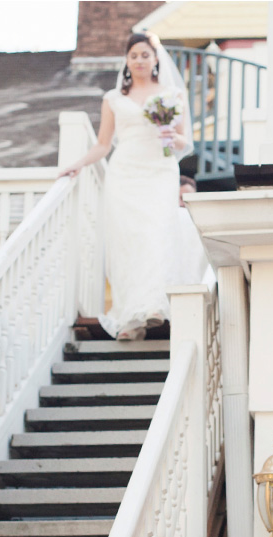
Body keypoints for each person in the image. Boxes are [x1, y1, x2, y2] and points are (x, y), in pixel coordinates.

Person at [59, 32, 190, 341]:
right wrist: (77, 164)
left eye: (145, 55)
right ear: (127, 62)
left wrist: (170, 134)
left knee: (156, 235)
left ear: (155, 59)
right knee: (127, 243)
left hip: (159, 172)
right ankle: (130, 318)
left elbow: (184, 142)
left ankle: (155, 305)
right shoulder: (113, 99)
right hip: (125, 174)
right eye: (134, 56)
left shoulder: (172, 94)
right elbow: (104, 145)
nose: (140, 60)